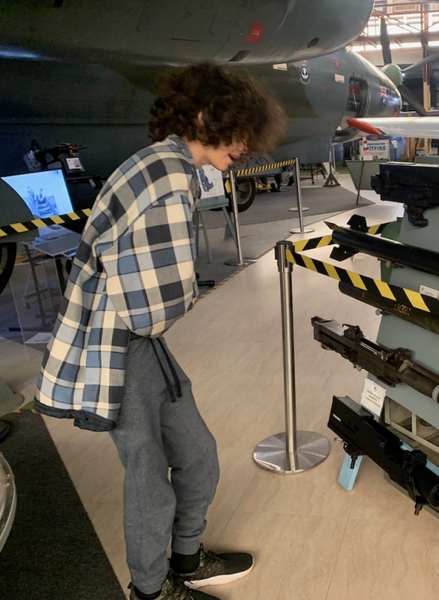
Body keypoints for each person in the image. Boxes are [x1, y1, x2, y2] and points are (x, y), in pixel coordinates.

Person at [35, 64, 286, 600]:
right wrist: (186, 294)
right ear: (205, 117)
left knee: (197, 454)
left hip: (135, 342)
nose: (242, 146)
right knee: (149, 478)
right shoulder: (169, 179)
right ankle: (151, 591)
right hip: (120, 345)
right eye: (236, 130)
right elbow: (154, 311)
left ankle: (187, 558)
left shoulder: (162, 166)